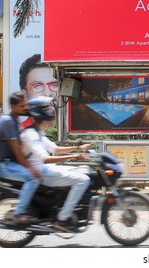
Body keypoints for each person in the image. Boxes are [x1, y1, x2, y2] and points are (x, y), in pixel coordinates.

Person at [20, 96, 91, 233]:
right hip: (40, 173)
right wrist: (75, 155)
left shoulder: (37, 132)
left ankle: (68, 207)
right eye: (47, 110)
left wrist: (77, 148)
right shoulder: (31, 134)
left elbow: (54, 149)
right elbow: (45, 158)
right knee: (83, 180)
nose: (51, 114)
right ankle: (63, 219)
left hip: (44, 170)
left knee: (83, 170)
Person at [0, 91, 41, 224]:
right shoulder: (7, 121)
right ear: (13, 107)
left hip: (8, 163)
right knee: (33, 178)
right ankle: (18, 213)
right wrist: (29, 167)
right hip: (1, 165)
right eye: (22, 106)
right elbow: (16, 148)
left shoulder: (15, 120)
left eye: (26, 105)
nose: (25, 108)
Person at [19, 54, 59, 127]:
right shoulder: (20, 133)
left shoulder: (75, 132)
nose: (47, 94)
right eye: (37, 86)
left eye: (54, 85)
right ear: (24, 94)